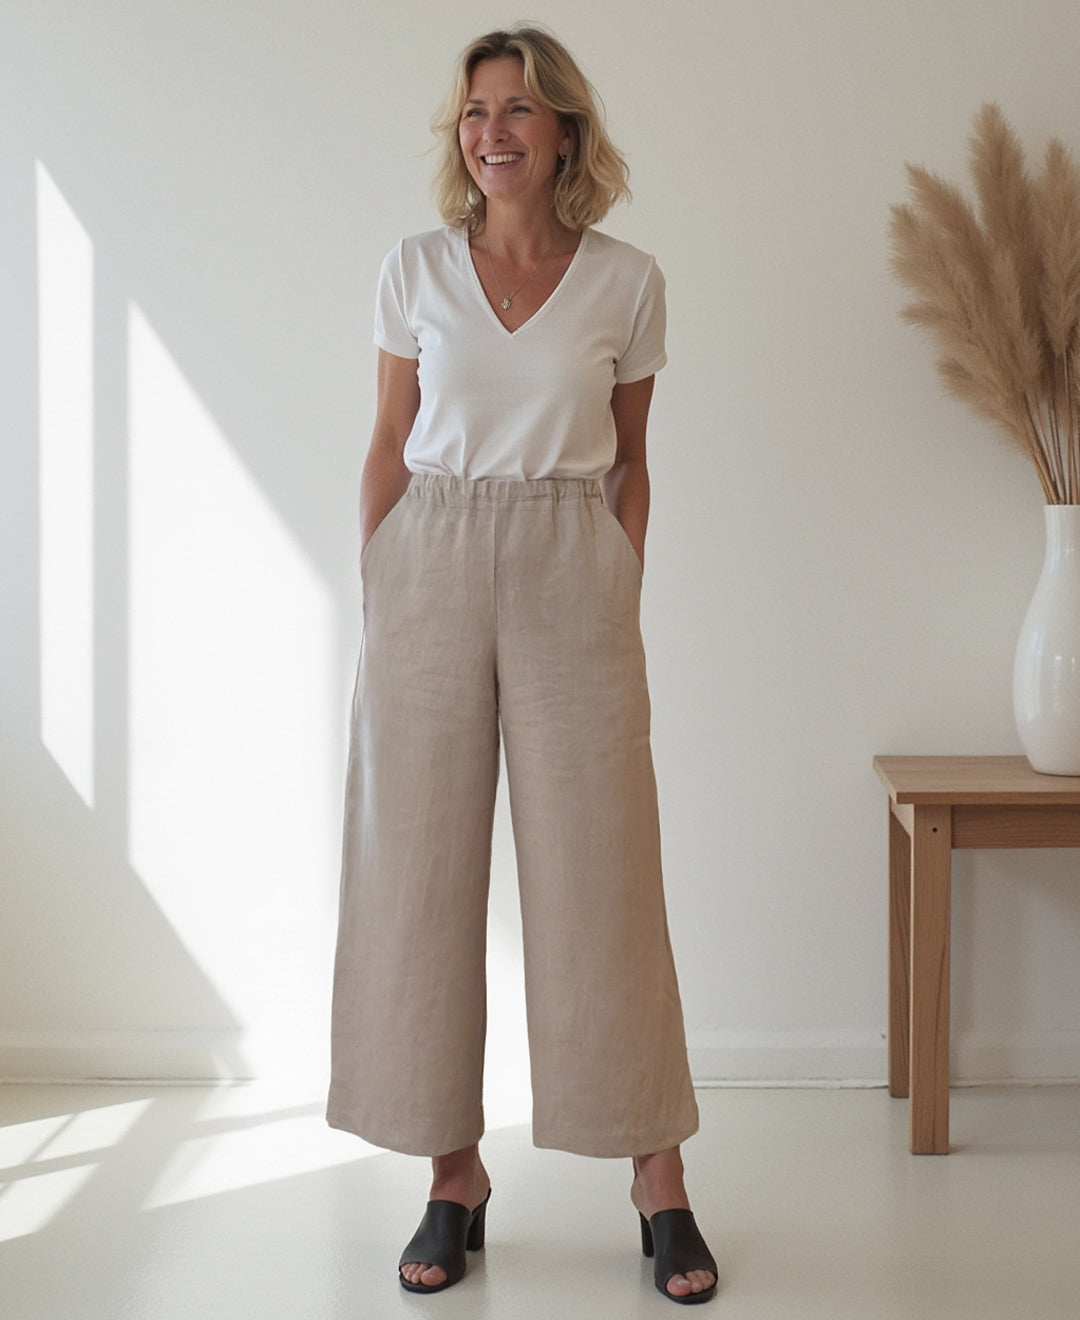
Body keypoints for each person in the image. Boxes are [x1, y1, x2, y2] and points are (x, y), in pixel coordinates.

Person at [327, 24, 717, 1305]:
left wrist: (616, 572)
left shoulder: (628, 281)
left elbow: (633, 457)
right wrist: (380, 570)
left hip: (569, 560)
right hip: (428, 556)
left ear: (564, 134)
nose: (492, 131)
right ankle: (453, 1174)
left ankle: (658, 1179)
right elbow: (389, 434)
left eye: (518, 110)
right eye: (475, 111)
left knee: (604, 871)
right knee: (417, 872)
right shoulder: (412, 268)